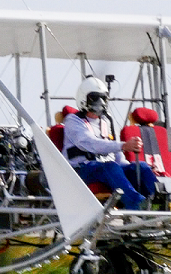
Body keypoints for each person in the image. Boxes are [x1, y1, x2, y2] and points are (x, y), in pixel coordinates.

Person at [63, 77, 158, 209]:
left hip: (104, 168)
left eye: (103, 99)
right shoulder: (73, 121)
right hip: (81, 170)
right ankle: (138, 205)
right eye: (95, 98)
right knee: (110, 167)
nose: (100, 103)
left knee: (141, 166)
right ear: (84, 99)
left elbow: (118, 158)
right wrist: (124, 145)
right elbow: (90, 143)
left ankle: (161, 203)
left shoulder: (106, 121)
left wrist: (131, 166)